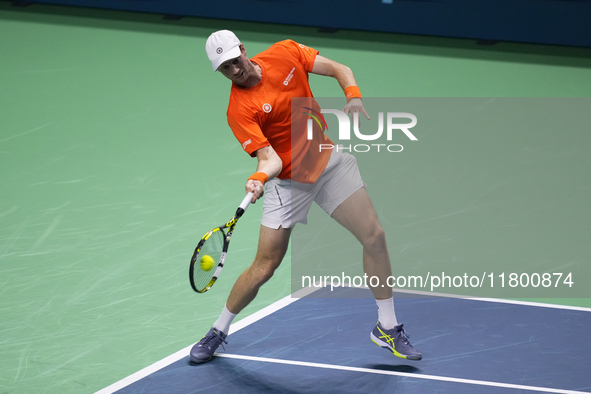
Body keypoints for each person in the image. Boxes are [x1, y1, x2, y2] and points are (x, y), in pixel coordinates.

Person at [190, 30, 422, 364]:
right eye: (224, 68)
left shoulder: (285, 52)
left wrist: (352, 94)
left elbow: (339, 69)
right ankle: (218, 330)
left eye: (234, 60)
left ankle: (387, 327)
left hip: (328, 162)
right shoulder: (239, 110)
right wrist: (258, 178)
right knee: (265, 265)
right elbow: (271, 160)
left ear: (243, 49)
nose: (233, 70)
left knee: (375, 237)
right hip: (289, 183)